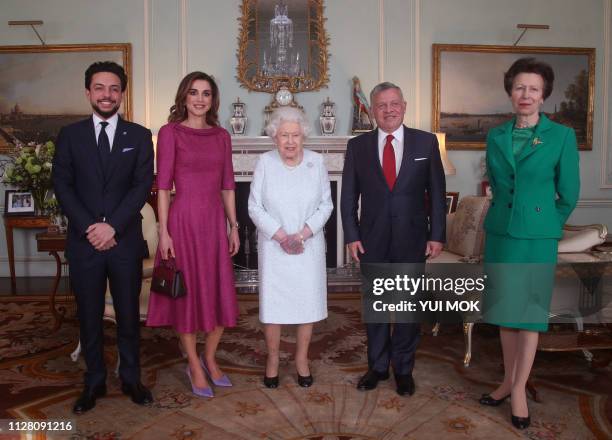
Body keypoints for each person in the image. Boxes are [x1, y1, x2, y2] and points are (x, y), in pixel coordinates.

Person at [479, 58, 580, 430]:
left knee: (530, 316)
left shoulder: (561, 137)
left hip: (537, 238)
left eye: (533, 89)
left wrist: (545, 223)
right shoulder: (496, 135)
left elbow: (568, 194)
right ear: (510, 91)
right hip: (502, 234)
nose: (526, 95)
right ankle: (506, 381)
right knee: (507, 312)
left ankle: (519, 388)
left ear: (543, 95)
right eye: (519, 87)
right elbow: (497, 183)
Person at [52, 61, 154, 414]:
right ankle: (93, 380)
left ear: (122, 95)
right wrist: (91, 227)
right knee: (89, 316)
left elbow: (142, 186)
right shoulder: (70, 135)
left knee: (128, 316)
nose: (106, 95)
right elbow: (62, 186)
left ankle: (131, 378)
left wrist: (113, 226)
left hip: (123, 241)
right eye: (99, 88)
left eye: (113, 89)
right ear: (88, 93)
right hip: (85, 243)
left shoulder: (140, 136)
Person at [340, 82, 446, 396]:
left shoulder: (425, 143)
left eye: (394, 103)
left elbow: (437, 195)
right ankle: (376, 367)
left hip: (412, 238)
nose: (389, 110)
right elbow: (348, 197)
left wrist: (437, 234)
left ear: (404, 105)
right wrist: (351, 235)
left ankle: (403, 369)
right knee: (375, 306)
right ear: (372, 111)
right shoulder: (357, 147)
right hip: (371, 238)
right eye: (382, 105)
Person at [146, 71, 240, 398]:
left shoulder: (222, 136)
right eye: (194, 93)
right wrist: (164, 231)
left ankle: (210, 358)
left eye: (206, 94)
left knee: (219, 293)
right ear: (184, 97)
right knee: (185, 298)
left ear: (213, 100)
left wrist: (234, 226)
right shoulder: (170, 133)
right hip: (183, 223)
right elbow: (162, 187)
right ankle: (194, 365)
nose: (200, 99)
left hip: (214, 225)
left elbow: (228, 185)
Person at [248, 107, 332, 388]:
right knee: (274, 305)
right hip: (275, 248)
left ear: (303, 136)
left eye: (295, 135)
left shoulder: (317, 162)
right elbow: (254, 207)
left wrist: (304, 234)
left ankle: (301, 359)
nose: (290, 141)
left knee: (306, 303)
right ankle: (272, 359)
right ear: (274, 137)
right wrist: (282, 236)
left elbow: (326, 205)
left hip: (307, 247)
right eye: (284, 135)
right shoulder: (264, 162)